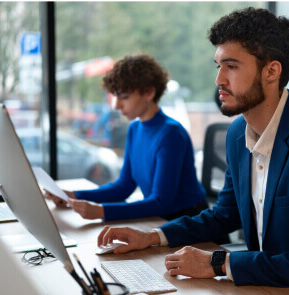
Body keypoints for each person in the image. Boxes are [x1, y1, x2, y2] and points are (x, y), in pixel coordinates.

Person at [96, 8, 289, 294]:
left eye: (231, 66)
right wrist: (153, 237)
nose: (219, 79)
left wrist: (219, 263)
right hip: (269, 286)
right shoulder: (236, 134)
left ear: (271, 71)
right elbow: (223, 217)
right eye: (218, 66)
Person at [46, 54, 207, 222]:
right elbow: (124, 186)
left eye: (124, 97)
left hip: (188, 222)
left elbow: (162, 202)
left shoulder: (171, 134)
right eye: (115, 96)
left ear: (149, 92)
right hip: (160, 219)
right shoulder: (135, 129)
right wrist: (73, 195)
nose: (116, 105)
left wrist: (102, 211)